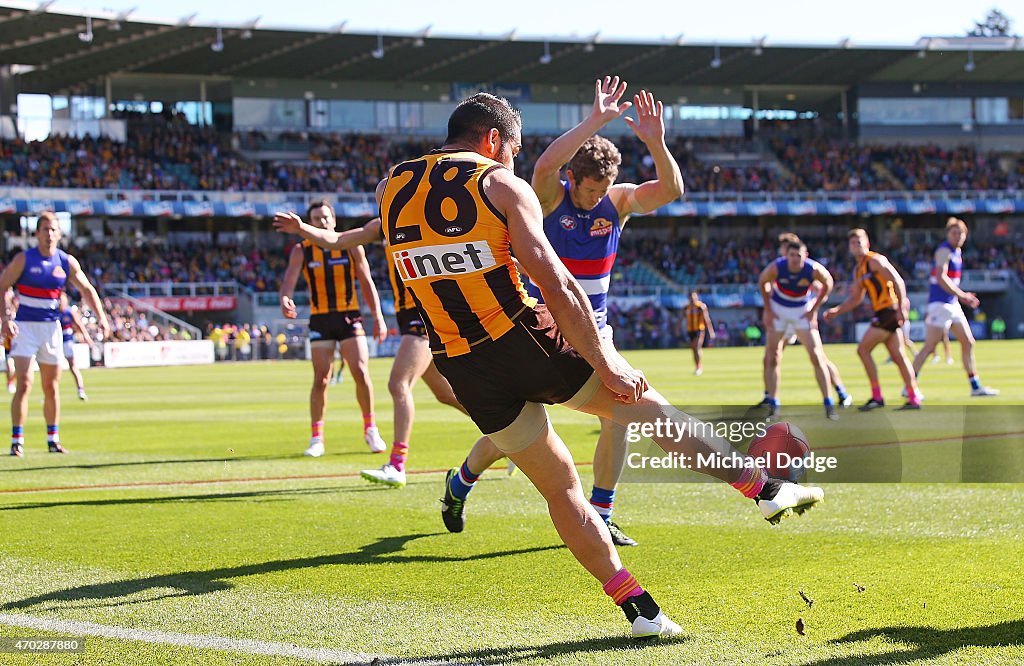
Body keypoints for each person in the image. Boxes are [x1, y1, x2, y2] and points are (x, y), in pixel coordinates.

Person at [372, 90, 824, 637]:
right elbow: (555, 282)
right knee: (650, 409)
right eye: (509, 150)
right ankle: (766, 492)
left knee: (561, 489)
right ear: (493, 140)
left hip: (462, 362)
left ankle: (641, 612)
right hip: (524, 336)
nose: (511, 161)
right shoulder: (499, 183)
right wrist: (605, 360)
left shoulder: (389, 187)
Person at [439, 80, 684, 547]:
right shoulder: (548, 199)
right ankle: (461, 481)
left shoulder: (617, 203)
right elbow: (547, 163)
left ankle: (604, 510)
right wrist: (594, 120)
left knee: (622, 413)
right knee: (517, 429)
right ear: (575, 179)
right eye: (591, 189)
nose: (596, 198)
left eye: (604, 190)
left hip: (595, 330)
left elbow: (671, 189)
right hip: (540, 325)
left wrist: (655, 142)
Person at [273, 214, 468, 487]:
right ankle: (508, 434)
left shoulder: (426, 214)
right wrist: (302, 228)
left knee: (398, 384)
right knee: (445, 393)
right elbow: (338, 240)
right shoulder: (384, 224)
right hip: (407, 314)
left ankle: (397, 465)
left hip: (425, 312)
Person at [278, 201, 389, 457]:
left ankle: (371, 429)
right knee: (321, 378)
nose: (322, 222)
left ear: (334, 220)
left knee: (360, 371)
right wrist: (285, 298)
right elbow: (288, 282)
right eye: (317, 218)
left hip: (349, 317)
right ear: (310, 222)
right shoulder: (301, 250)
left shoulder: (352, 247)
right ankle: (317, 437)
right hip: (320, 319)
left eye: (326, 217)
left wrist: (378, 317)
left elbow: (367, 282)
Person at [0, 212, 110, 457]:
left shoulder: (65, 261)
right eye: (45, 229)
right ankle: (17, 440)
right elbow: (2, 285)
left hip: (51, 329)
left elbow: (87, 289)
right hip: (25, 327)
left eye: (53, 230)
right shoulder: (23, 259)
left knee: (51, 386)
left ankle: (53, 439)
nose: (49, 234)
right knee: (24, 383)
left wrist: (101, 317)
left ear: (59, 234)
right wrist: (6, 318)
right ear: (37, 233)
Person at [823, 229, 921, 410]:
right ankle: (913, 397)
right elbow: (856, 299)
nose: (856, 246)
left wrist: (901, 308)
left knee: (863, 350)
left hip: (889, 310)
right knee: (898, 356)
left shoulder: (875, 260)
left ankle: (878, 396)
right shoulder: (859, 270)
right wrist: (836, 311)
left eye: (859, 242)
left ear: (867, 243)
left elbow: (898, 281)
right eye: (853, 243)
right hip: (883, 312)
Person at [758, 232, 851, 408]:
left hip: (799, 313)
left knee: (818, 356)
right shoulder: (779, 266)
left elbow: (817, 284)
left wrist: (813, 307)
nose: (784, 253)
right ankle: (769, 396)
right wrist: (769, 308)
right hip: (782, 314)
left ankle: (840, 391)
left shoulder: (805, 266)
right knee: (771, 357)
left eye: (784, 248)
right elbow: (767, 283)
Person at [912, 217, 998, 396]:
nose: (957, 236)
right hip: (940, 303)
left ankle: (975, 386)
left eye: (960, 233)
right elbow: (941, 278)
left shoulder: (957, 252)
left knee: (968, 342)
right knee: (929, 347)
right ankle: (909, 386)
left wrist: (959, 297)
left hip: (952, 303)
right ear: (947, 234)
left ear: (965, 236)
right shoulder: (944, 251)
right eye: (954, 232)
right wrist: (963, 295)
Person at [58, 293, 92, 401]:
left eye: (62, 300)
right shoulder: (53, 313)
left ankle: (81, 390)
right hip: (56, 344)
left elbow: (79, 324)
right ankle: (51, 393)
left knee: (73, 366)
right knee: (54, 369)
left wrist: (86, 336)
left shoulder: (69, 312)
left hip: (67, 342)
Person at [682, 290, 714, 376]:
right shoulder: (686, 308)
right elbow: (681, 318)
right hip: (690, 330)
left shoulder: (701, 307)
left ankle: (699, 367)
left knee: (696, 347)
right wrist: (678, 328)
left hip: (699, 330)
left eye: (694, 297)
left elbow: (707, 320)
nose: (692, 299)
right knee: (693, 349)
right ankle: (697, 366)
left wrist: (711, 332)